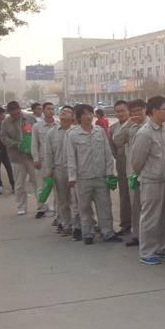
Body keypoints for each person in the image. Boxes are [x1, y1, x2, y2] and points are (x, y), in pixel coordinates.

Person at [66, 104, 121, 245]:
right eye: (85, 114)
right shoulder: (73, 135)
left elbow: (107, 153)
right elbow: (71, 157)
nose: (89, 116)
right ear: (79, 117)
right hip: (83, 178)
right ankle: (88, 233)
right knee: (84, 208)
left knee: (105, 206)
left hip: (100, 176)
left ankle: (107, 232)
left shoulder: (100, 131)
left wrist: (109, 172)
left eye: (91, 113)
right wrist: (72, 177)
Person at [131, 96, 165, 265]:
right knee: (150, 216)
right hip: (152, 181)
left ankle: (163, 247)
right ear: (154, 111)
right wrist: (148, 173)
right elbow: (137, 161)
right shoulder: (145, 133)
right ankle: (147, 251)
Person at [45, 104, 80, 237]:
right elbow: (48, 153)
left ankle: (78, 225)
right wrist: (49, 169)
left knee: (77, 199)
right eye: (62, 111)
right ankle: (66, 225)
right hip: (59, 169)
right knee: (63, 200)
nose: (64, 112)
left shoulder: (77, 131)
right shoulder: (51, 133)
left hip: (76, 170)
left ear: (73, 116)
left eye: (67, 111)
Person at [0, 101, 39, 216]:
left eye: (17, 113)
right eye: (13, 114)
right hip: (17, 158)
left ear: (20, 109)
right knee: (19, 184)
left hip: (31, 156)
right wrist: (16, 144)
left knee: (37, 182)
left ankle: (42, 205)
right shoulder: (5, 123)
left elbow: (38, 133)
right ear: (9, 112)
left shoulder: (30, 118)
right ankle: (22, 206)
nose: (15, 116)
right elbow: (3, 138)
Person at [120, 99, 147, 247]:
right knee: (135, 205)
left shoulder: (151, 126)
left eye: (139, 110)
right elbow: (117, 140)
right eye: (133, 111)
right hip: (133, 173)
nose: (137, 114)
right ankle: (136, 235)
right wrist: (127, 124)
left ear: (145, 109)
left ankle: (149, 236)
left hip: (149, 173)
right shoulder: (130, 127)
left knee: (148, 206)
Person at [108, 100, 133, 235]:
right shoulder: (112, 129)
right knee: (124, 195)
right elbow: (112, 150)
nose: (120, 114)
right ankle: (125, 223)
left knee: (138, 197)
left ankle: (138, 224)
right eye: (117, 111)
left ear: (128, 111)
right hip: (122, 165)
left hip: (136, 165)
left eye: (123, 110)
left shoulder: (135, 125)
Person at [31, 101, 58, 218]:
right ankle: (41, 208)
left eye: (52, 109)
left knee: (57, 186)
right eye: (48, 109)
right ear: (43, 111)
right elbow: (34, 144)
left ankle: (57, 210)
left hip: (56, 161)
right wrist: (36, 159)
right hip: (42, 161)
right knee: (41, 186)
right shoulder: (37, 126)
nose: (51, 111)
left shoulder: (58, 125)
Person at [0, 106, 16, 194]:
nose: (4, 115)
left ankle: (14, 185)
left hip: (5, 150)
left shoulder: (5, 124)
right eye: (3, 113)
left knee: (9, 168)